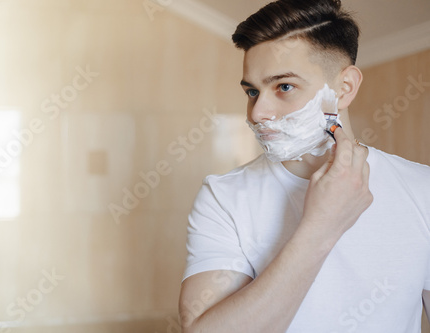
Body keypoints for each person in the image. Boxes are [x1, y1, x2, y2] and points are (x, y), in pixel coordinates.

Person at [178, 0, 430, 332]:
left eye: (284, 87)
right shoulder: (224, 196)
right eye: (252, 92)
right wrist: (320, 227)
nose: (256, 113)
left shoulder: (421, 189)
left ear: (344, 88)